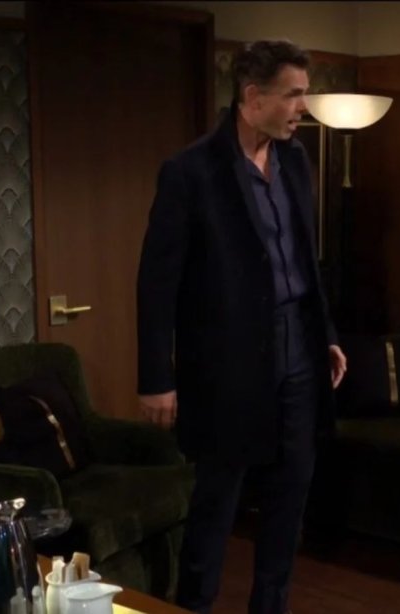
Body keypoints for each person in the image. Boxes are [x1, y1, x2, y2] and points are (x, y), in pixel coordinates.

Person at [136, 40, 347, 614]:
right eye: (293, 95)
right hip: (227, 365)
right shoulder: (190, 172)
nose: (303, 107)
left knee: (289, 499)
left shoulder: (295, 161)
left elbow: (304, 261)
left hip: (299, 352)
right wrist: (157, 378)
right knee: (216, 504)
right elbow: (157, 282)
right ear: (253, 98)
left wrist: (325, 334)